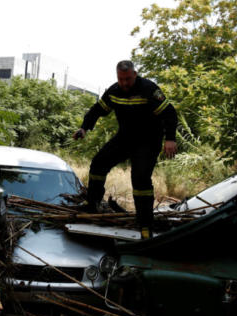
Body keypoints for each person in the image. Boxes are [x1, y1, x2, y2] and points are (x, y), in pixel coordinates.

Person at [73, 60, 178, 233]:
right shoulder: (114, 91)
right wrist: (84, 127)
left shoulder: (149, 89)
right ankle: (92, 204)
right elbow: (97, 110)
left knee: (140, 178)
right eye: (121, 79)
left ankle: (145, 224)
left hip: (148, 141)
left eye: (128, 79)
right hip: (125, 138)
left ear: (135, 75)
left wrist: (170, 139)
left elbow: (170, 113)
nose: (124, 83)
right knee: (98, 163)